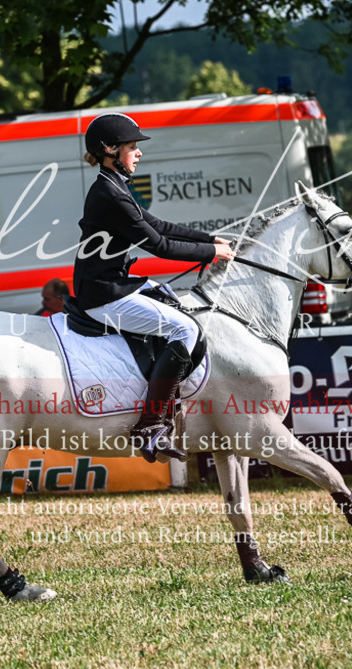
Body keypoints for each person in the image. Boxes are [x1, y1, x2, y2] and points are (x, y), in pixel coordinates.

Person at [73, 113, 234, 461]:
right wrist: (212, 252)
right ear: (110, 150)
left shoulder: (114, 185)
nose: (139, 153)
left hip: (114, 284)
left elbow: (157, 224)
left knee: (174, 304)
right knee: (185, 329)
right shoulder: (110, 194)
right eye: (132, 147)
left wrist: (209, 239)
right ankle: (150, 424)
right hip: (104, 293)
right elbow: (159, 246)